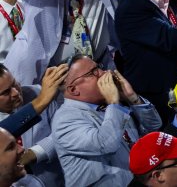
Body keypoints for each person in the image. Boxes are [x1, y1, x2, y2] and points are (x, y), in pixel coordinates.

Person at [52, 56, 162, 186]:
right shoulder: (65, 119)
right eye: (93, 72)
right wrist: (113, 103)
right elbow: (105, 144)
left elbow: (154, 127)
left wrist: (132, 98)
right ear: (73, 90)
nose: (104, 73)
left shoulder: (108, 105)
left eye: (99, 67)